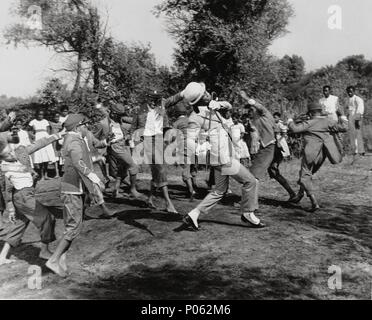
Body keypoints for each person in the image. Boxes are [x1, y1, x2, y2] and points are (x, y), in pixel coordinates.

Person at [165, 82, 264, 230]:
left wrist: (220, 104)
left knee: (219, 190)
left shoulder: (211, 106)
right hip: (221, 157)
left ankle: (193, 214)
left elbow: (229, 106)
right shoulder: (195, 117)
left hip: (221, 155)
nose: (207, 94)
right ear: (198, 100)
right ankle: (248, 213)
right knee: (250, 181)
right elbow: (190, 141)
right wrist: (200, 148)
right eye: (203, 94)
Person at [46, 114, 105, 277]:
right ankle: (53, 260)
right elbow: (79, 162)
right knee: (74, 227)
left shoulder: (73, 139)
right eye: (85, 125)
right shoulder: (74, 141)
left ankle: (61, 259)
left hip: (70, 188)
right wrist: (94, 178)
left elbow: (79, 160)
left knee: (70, 227)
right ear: (79, 126)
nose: (87, 128)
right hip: (72, 189)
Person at [0, 130, 65, 265]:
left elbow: (40, 143)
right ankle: (44, 251)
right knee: (48, 218)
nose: (11, 153)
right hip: (22, 196)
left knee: (20, 224)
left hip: (27, 194)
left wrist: (59, 134)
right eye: (6, 153)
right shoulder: (4, 168)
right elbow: (7, 191)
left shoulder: (21, 152)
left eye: (10, 149)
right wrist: (10, 208)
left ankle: (2, 256)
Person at [287, 103, 348, 211]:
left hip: (311, 153)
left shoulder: (310, 123)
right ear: (320, 111)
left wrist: (290, 120)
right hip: (323, 154)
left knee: (305, 175)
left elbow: (295, 129)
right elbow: (344, 127)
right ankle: (299, 195)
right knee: (308, 174)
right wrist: (342, 116)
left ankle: (314, 202)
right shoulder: (328, 121)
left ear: (310, 113)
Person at [239, 91, 296, 201]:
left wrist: (246, 97)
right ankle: (292, 193)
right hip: (270, 147)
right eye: (248, 110)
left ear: (256, 110)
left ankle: (249, 201)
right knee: (273, 172)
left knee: (252, 175)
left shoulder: (265, 114)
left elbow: (258, 106)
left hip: (271, 146)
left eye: (251, 110)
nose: (249, 112)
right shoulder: (254, 121)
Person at [131, 90, 178, 214]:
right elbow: (133, 129)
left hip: (159, 142)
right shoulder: (139, 110)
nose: (154, 102)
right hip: (146, 142)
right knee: (161, 169)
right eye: (151, 99)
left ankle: (150, 198)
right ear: (147, 98)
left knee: (156, 172)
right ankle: (169, 203)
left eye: (156, 99)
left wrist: (169, 140)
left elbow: (167, 127)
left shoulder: (161, 111)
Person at [94, 103, 145, 201]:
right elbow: (94, 139)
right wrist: (105, 143)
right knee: (133, 166)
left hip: (123, 145)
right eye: (119, 115)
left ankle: (115, 191)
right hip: (115, 147)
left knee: (122, 170)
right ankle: (133, 190)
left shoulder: (121, 121)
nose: (121, 117)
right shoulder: (103, 123)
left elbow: (130, 126)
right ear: (113, 113)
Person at [170, 104, 197, 200]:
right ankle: (195, 186)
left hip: (185, 146)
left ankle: (191, 190)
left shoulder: (176, 123)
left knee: (186, 169)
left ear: (176, 113)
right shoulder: (191, 120)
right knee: (193, 167)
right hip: (196, 145)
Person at [29, 110, 58, 180]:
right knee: (40, 157)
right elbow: (29, 130)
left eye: (42, 115)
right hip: (38, 139)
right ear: (36, 115)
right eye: (39, 114)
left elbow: (48, 130)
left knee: (46, 157)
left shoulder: (45, 121)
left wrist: (48, 137)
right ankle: (41, 175)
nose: (40, 116)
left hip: (45, 139)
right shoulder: (33, 122)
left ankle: (46, 175)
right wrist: (32, 136)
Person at [346, 86, 365, 157]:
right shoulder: (348, 99)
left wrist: (357, 119)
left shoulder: (358, 99)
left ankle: (361, 151)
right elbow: (348, 109)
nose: (350, 93)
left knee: (358, 134)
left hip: (357, 118)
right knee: (352, 135)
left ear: (354, 91)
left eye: (351, 91)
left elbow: (360, 109)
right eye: (348, 92)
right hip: (351, 118)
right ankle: (354, 151)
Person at [49, 112, 64, 178]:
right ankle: (57, 173)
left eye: (58, 117)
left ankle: (61, 172)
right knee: (55, 158)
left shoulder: (61, 124)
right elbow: (49, 133)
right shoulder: (50, 124)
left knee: (61, 158)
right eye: (55, 117)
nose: (56, 118)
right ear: (53, 117)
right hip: (53, 143)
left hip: (60, 143)